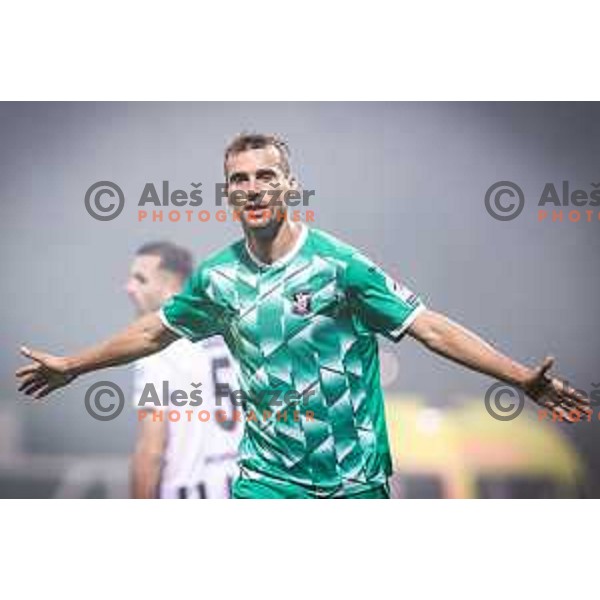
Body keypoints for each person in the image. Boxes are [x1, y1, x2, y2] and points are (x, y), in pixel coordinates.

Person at [16, 133, 591, 499]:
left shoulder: (340, 267)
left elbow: (431, 327)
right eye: (240, 179)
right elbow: (151, 331)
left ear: (289, 184)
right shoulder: (219, 277)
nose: (253, 187)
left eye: (266, 175)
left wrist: (520, 379)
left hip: (353, 485)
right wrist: (73, 364)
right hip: (266, 484)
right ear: (228, 193)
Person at [127, 241, 240, 498]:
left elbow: (152, 449)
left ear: (170, 287)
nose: (129, 287)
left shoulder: (155, 349)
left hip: (191, 493)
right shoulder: (232, 334)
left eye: (140, 279)